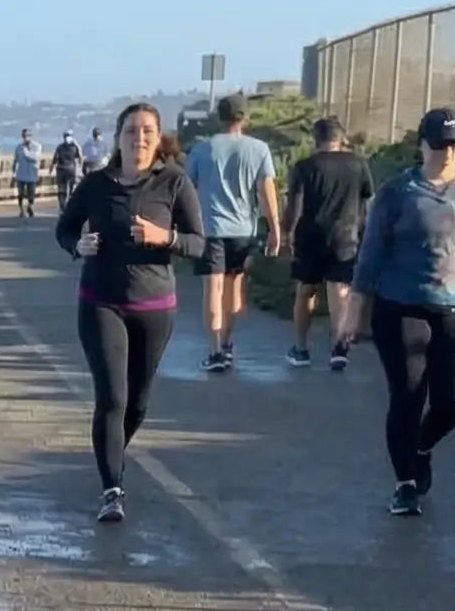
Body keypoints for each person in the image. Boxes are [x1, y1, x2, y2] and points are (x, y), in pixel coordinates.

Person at [338, 108, 455, 515]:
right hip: (401, 307)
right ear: (422, 145)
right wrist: (353, 311)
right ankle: (405, 483)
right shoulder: (398, 192)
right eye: (439, 145)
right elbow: (371, 255)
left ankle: (421, 446)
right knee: (408, 394)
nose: (448, 153)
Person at [55, 103, 206, 522]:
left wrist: (165, 237)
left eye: (147, 132)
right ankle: (112, 489)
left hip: (154, 307)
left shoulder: (174, 182)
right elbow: (65, 228)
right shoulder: (96, 184)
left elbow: (198, 243)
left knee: (137, 403)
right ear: (118, 138)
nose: (139, 138)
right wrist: (77, 246)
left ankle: (111, 452)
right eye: (131, 131)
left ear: (158, 139)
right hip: (101, 302)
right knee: (112, 398)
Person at [184, 93, 283, 370]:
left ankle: (215, 350)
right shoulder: (259, 149)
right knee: (233, 288)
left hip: (210, 228)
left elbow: (187, 190)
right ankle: (227, 343)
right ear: (245, 118)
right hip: (243, 230)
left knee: (212, 289)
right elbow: (266, 192)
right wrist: (274, 228)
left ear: (219, 117)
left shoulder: (202, 149)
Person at [281, 117, 375, 369]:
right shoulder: (358, 164)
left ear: (316, 139)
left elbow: (294, 205)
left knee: (305, 291)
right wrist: (365, 232)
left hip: (309, 236)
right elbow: (367, 201)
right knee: (340, 292)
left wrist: (286, 232)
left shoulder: (305, 166)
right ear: (341, 138)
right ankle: (338, 349)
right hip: (345, 235)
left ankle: (301, 349)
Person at [12, 128, 43, 217]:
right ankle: (21, 209)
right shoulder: (19, 147)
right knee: (20, 193)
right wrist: (13, 170)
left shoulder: (37, 146)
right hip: (21, 173)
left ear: (31, 136)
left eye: (28, 135)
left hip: (32, 173)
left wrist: (26, 152)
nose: (26, 138)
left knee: (31, 193)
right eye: (24, 136)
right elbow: (16, 159)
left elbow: (35, 157)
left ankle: (30, 206)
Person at [52, 130, 84, 206]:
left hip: (62, 170)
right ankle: (67, 204)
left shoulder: (60, 147)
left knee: (63, 188)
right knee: (69, 189)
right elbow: (80, 158)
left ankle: (63, 205)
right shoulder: (74, 147)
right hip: (69, 169)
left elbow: (55, 159)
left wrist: (51, 168)